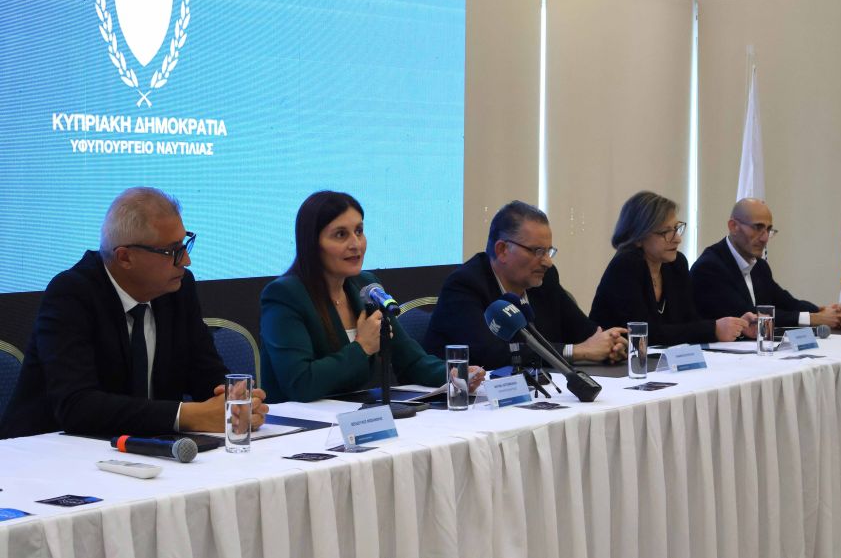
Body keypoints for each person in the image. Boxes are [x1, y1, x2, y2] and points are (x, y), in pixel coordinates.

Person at [0, 187, 268, 439]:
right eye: (172, 251)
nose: (186, 261)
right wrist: (185, 416)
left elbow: (204, 373)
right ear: (125, 257)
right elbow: (77, 406)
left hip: (143, 448)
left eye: (185, 244)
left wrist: (235, 402)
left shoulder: (178, 288)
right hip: (46, 452)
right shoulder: (71, 294)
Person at [259, 191, 486, 403]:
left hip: (351, 415)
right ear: (312, 243)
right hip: (297, 424)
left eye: (359, 231)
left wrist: (452, 374)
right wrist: (362, 347)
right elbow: (300, 383)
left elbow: (411, 360)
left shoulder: (365, 286)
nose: (355, 244)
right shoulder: (285, 295)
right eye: (341, 234)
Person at [424, 200, 627, 370]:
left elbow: (585, 332)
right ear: (502, 250)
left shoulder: (544, 279)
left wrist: (611, 343)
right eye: (538, 251)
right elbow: (493, 354)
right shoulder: (464, 285)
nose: (548, 262)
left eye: (549, 251)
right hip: (461, 399)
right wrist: (578, 351)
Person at [590, 191, 754, 346]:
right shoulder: (625, 266)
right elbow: (644, 334)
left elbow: (690, 321)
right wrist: (713, 329)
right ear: (638, 237)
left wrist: (737, 326)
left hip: (658, 361)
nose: (677, 239)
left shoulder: (675, 264)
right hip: (615, 361)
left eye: (676, 229)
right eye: (666, 232)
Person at [691, 198, 841, 328]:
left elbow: (786, 302)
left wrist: (823, 310)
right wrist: (815, 318)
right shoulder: (710, 267)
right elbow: (749, 316)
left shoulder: (759, 266)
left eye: (768, 230)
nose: (764, 238)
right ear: (733, 226)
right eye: (758, 227)